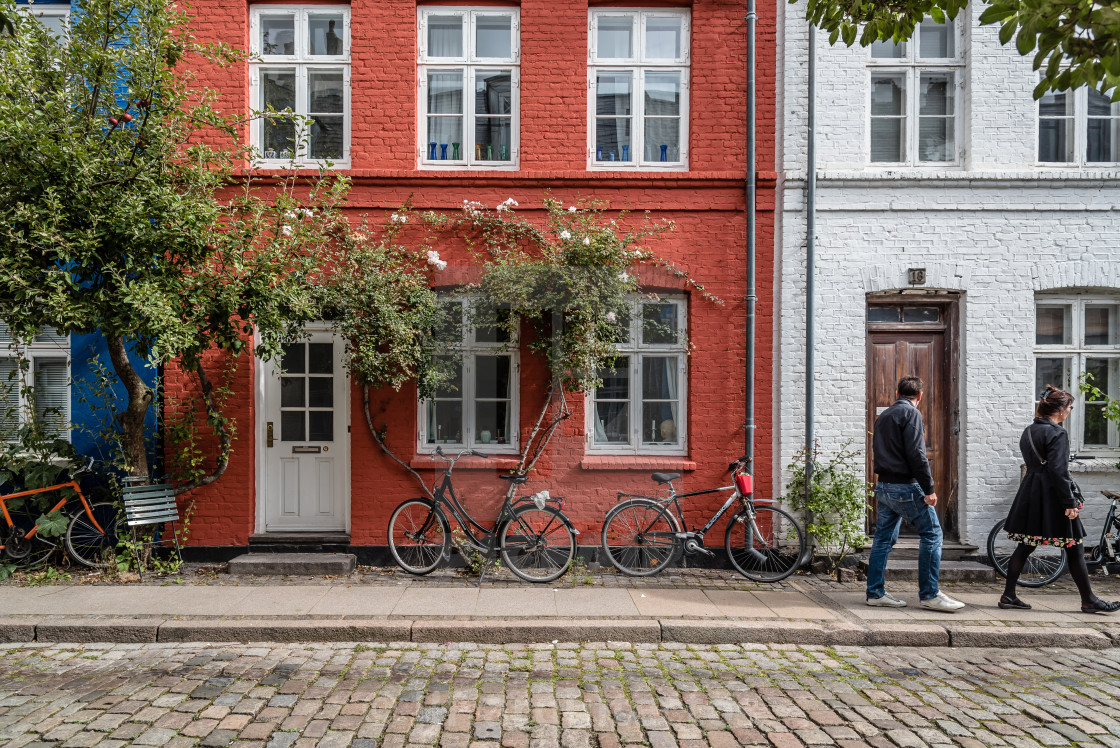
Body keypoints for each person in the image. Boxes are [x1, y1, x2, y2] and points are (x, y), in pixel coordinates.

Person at [999, 385, 1120, 613]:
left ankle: (1008, 595)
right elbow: (1058, 471)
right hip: (1052, 495)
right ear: (1061, 410)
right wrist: (1069, 503)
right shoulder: (1057, 433)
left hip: (1031, 492)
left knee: (1024, 545)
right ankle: (1089, 600)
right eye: (1070, 407)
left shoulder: (1029, 431)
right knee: (1074, 546)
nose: (1070, 410)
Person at [866, 376, 965, 611]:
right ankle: (930, 594)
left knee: (882, 540)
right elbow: (917, 454)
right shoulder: (911, 414)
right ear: (919, 396)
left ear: (897, 392)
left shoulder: (885, 416)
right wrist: (929, 489)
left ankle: (875, 593)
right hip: (905, 487)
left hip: (884, 486)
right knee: (932, 534)